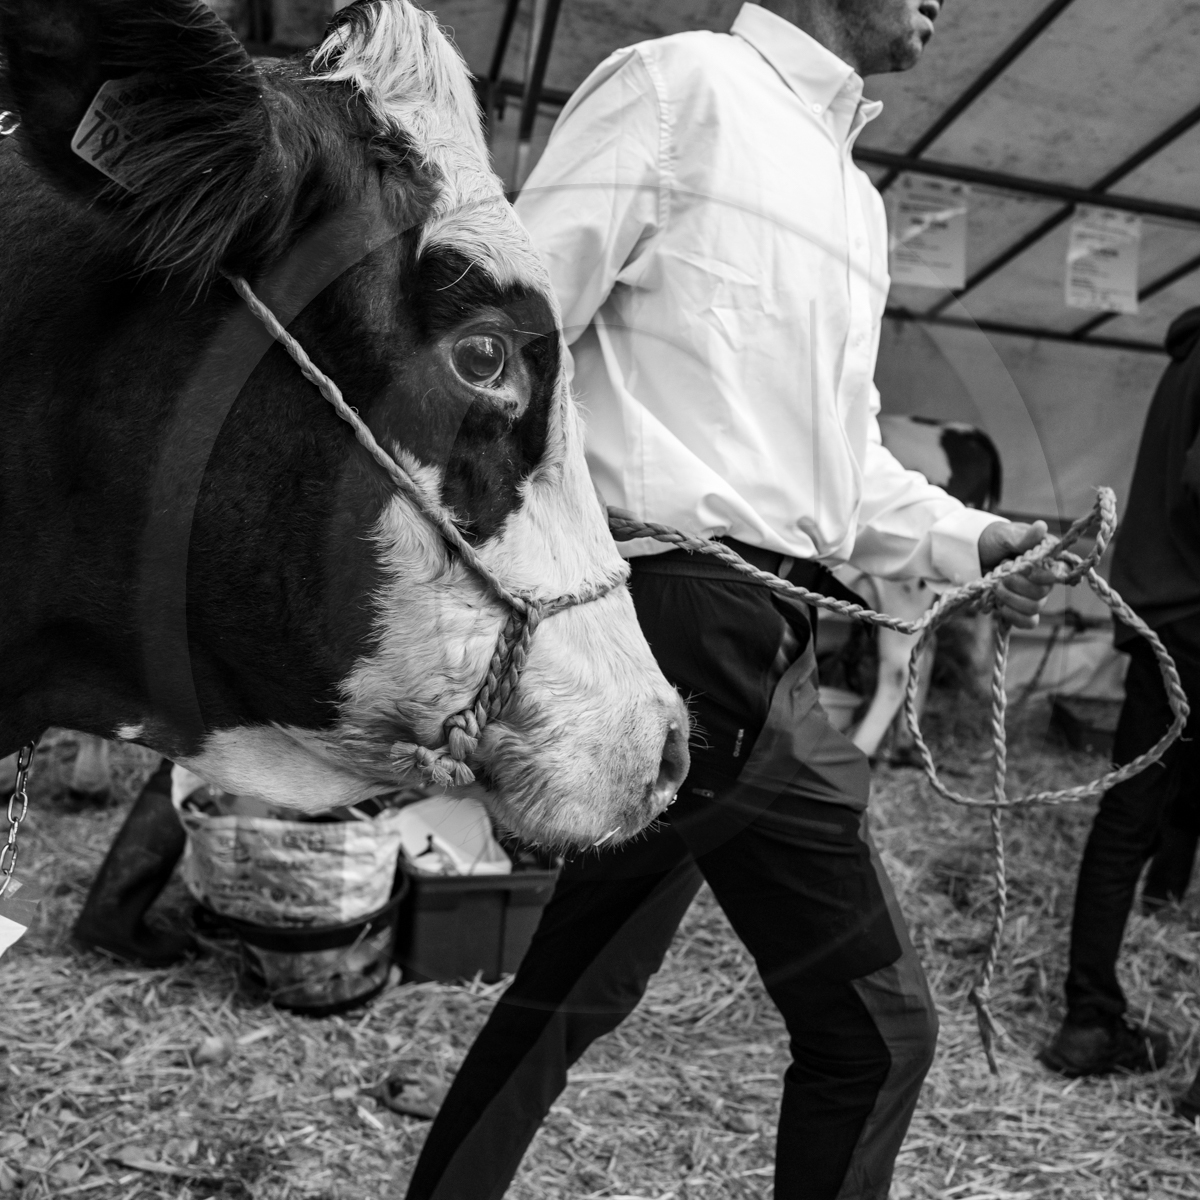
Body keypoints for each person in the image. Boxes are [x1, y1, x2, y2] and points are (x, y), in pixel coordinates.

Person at [405, 3, 1052, 1197]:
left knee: (576, 989)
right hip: (669, 623)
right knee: (871, 1032)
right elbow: (504, 337)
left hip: (774, 639)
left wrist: (981, 538)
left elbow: (844, 474)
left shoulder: (855, 199)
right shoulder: (681, 87)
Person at [1041, 308, 1200, 1094]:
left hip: (1165, 619)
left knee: (1129, 818)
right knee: (1138, 819)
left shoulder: (1186, 356)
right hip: (1195, 618)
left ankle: (1088, 1021)